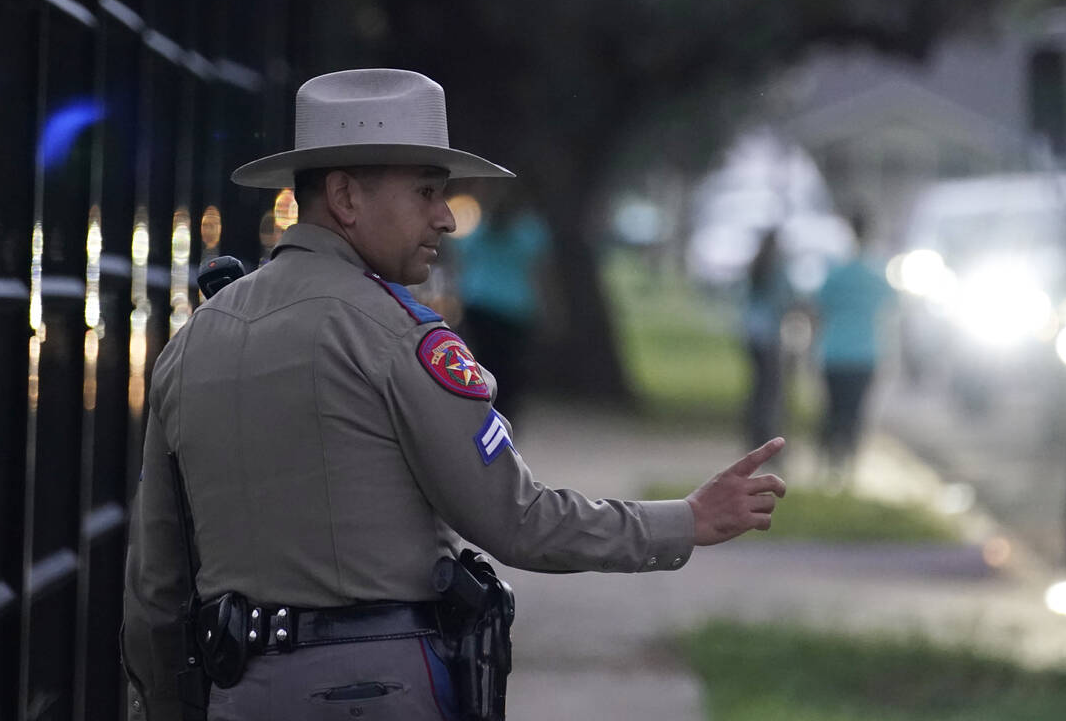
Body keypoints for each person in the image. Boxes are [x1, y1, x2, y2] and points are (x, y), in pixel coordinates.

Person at [121, 68, 787, 721]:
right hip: (379, 690)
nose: (445, 218)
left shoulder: (191, 344)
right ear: (346, 198)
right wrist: (685, 521)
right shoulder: (399, 337)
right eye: (425, 193)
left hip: (237, 691)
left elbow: (156, 590)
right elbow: (516, 520)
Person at [452, 191, 550, 421]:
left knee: (481, 363)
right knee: (510, 369)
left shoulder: (479, 228)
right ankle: (504, 417)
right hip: (514, 309)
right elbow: (540, 274)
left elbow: (462, 261)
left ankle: (478, 411)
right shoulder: (531, 232)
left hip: (479, 303)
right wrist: (547, 308)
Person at [813, 211, 896, 482]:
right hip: (864, 353)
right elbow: (892, 307)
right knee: (855, 412)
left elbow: (818, 306)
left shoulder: (835, 272)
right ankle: (848, 466)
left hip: (834, 352)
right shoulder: (876, 275)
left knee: (833, 409)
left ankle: (829, 463)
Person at [741, 229, 793, 450]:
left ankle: (752, 433)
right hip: (769, 335)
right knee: (771, 390)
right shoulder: (777, 269)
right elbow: (785, 299)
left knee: (757, 386)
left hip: (751, 332)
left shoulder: (755, 266)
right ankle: (767, 437)